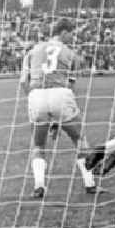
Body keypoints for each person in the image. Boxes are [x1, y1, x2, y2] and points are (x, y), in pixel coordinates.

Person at [19, 18, 100, 199]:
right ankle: (90, 184)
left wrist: (32, 98)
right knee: (79, 138)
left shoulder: (32, 51)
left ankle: (39, 185)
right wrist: (58, 117)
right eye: (71, 33)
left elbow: (23, 81)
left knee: (38, 144)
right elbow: (70, 85)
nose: (72, 37)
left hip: (36, 95)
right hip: (60, 94)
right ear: (63, 32)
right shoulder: (70, 54)